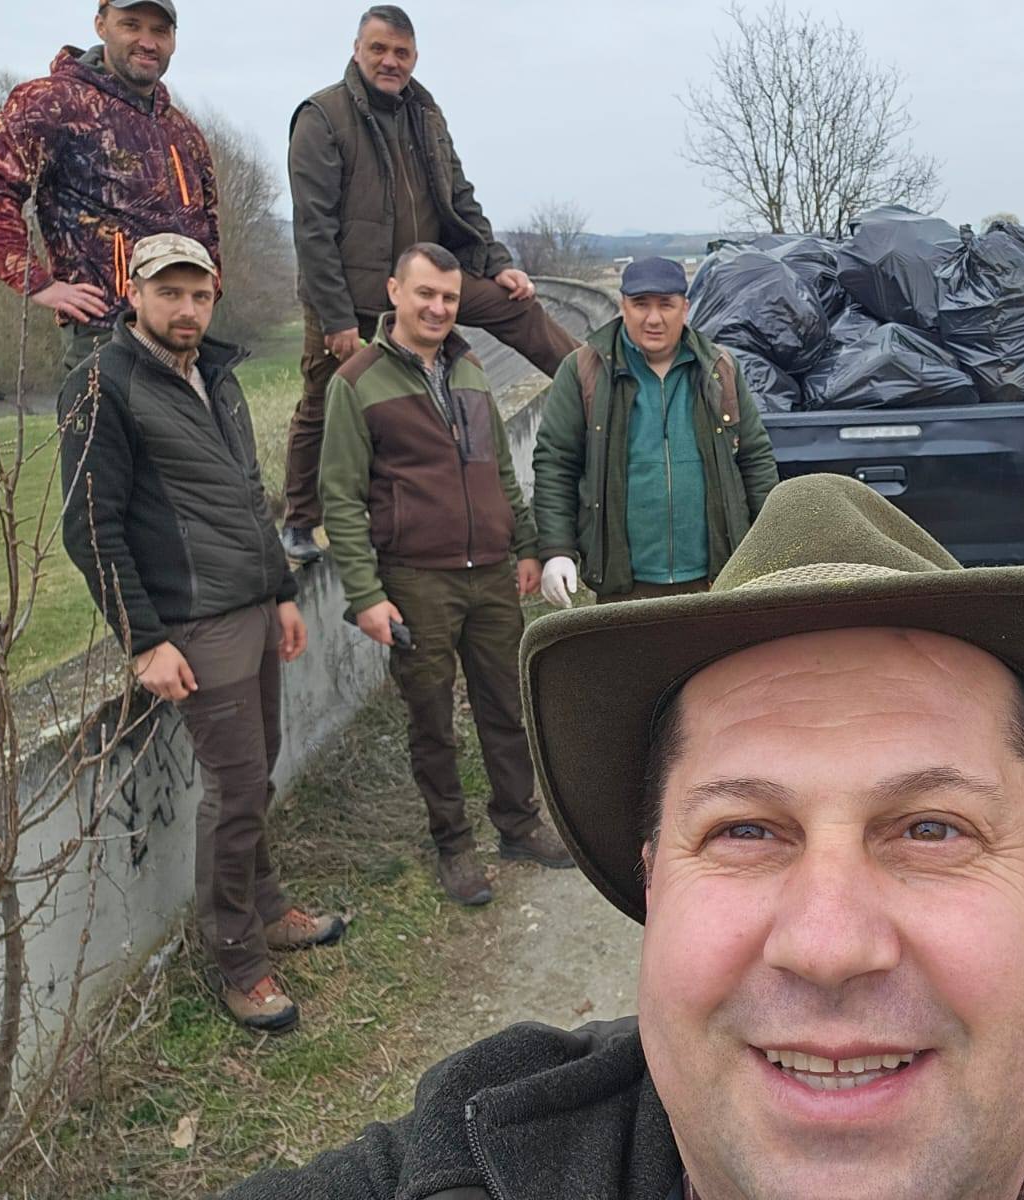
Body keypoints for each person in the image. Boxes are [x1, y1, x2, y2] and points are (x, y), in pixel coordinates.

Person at [225, 473, 1024, 1199]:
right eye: (745, 830)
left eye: (931, 827)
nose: (829, 947)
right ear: (654, 886)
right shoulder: (468, 1163)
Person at [58, 233, 343, 1034]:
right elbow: (90, 526)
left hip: (251, 607)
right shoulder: (103, 383)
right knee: (235, 788)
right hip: (191, 621)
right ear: (135, 292)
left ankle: (267, 907)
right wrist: (144, 640)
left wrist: (281, 592)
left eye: (199, 294)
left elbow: (248, 494)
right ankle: (239, 961)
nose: (186, 309)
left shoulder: (214, 374)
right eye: (169, 292)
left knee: (257, 772)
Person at [319, 241, 572, 906]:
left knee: (506, 705)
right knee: (431, 718)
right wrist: (366, 596)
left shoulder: (471, 369)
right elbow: (340, 499)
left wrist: (525, 545)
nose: (437, 308)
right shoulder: (357, 383)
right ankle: (454, 846)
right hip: (416, 580)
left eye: (449, 298)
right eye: (425, 293)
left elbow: (498, 471)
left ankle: (519, 824)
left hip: (489, 573)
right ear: (394, 293)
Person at [280, 3, 578, 564]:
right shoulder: (322, 116)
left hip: (433, 278)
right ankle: (299, 520)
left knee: (517, 305)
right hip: (351, 291)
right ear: (357, 50)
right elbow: (312, 230)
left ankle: (599, 386)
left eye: (401, 52)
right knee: (322, 396)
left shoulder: (426, 113)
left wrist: (497, 262)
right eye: (379, 49)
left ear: (415, 57)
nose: (390, 61)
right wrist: (336, 317)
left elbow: (460, 194)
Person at [0, 0, 219, 371]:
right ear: (101, 26)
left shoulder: (181, 129)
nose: (147, 42)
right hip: (106, 334)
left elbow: (209, 218)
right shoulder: (52, 103)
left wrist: (211, 290)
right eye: (131, 25)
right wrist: (35, 281)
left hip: (186, 331)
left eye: (159, 31)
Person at [532, 255, 779, 606]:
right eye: (640, 304)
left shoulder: (719, 369)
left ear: (685, 308)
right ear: (623, 306)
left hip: (717, 579)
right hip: (624, 585)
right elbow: (556, 463)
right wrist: (557, 549)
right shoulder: (585, 370)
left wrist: (771, 542)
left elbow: (755, 459)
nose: (653, 318)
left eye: (666, 304)